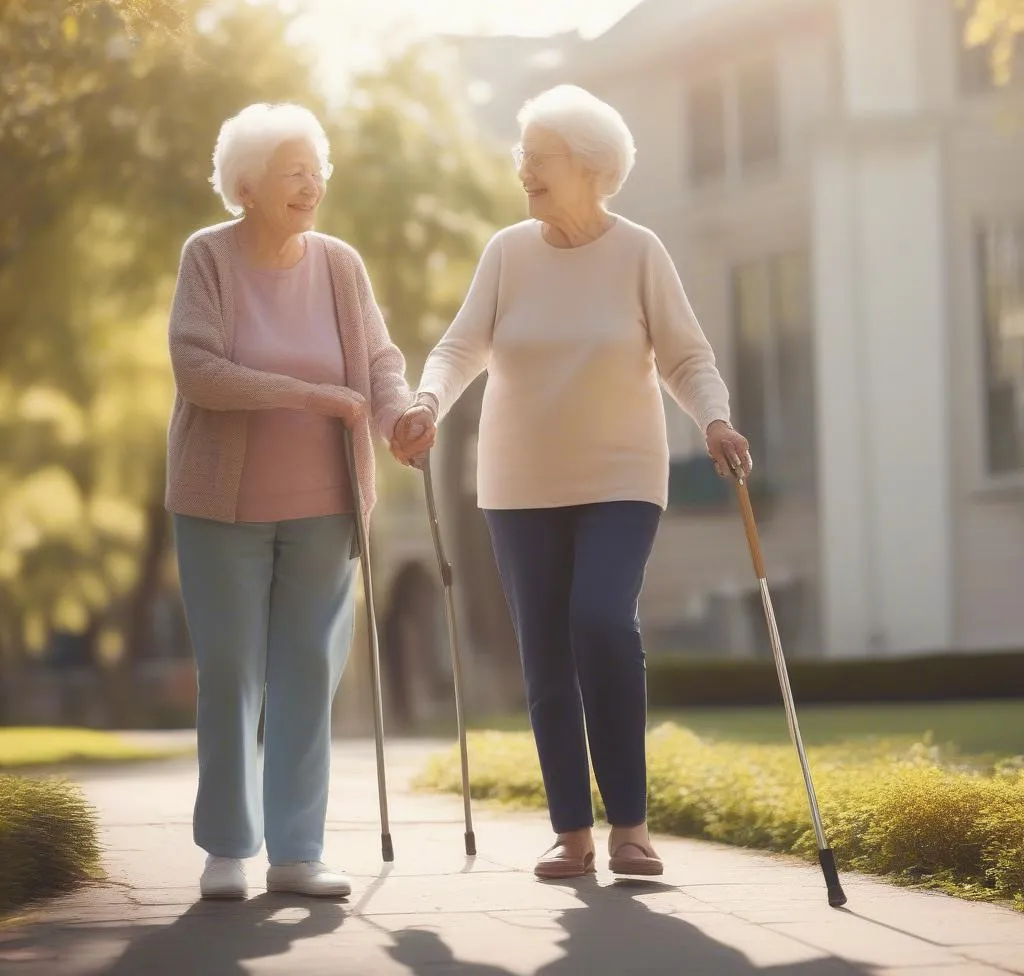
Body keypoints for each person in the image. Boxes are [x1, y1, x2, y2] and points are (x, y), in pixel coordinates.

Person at [391, 85, 752, 880]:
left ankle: (631, 826)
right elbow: (458, 347)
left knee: (601, 620)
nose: (523, 171)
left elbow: (687, 359)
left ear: (590, 168)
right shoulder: (507, 253)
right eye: (521, 157)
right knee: (545, 654)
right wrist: (426, 401)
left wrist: (715, 421)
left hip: (622, 477)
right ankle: (574, 836)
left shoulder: (639, 252)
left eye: (538, 158)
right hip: (518, 486)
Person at [165, 102, 434, 901]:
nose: (310, 184)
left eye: (316, 169)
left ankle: (297, 850)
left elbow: (380, 363)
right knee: (231, 673)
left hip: (325, 506)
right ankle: (225, 847)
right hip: (221, 509)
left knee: (309, 673)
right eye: (292, 171)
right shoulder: (207, 258)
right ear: (245, 186)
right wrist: (314, 396)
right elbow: (197, 369)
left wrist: (400, 413)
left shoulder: (340, 265)